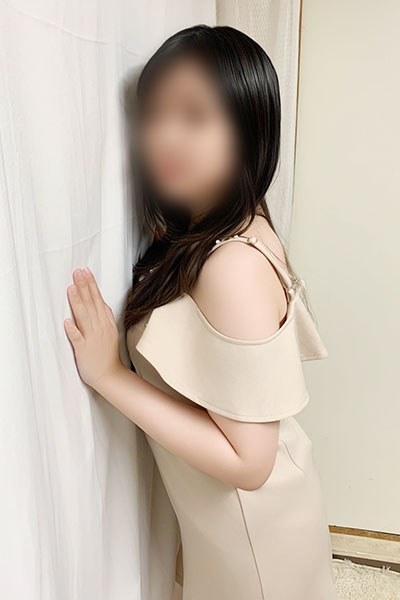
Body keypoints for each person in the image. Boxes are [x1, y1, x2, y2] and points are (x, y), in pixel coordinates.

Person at [64, 25, 338, 600]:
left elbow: (249, 463)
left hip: (258, 541)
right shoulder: (223, 228)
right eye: (154, 114)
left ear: (249, 128)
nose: (164, 135)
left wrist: (109, 375)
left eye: (194, 116)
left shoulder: (230, 264)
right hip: (246, 526)